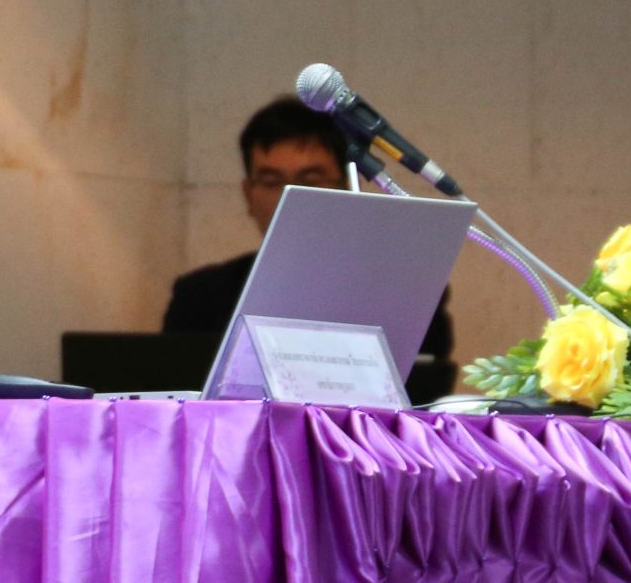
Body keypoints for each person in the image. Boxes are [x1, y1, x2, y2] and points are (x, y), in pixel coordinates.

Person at [164, 95, 454, 382]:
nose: (290, 196)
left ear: (346, 187)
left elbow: (425, 391)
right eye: (271, 182)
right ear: (248, 194)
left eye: (310, 180)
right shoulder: (199, 298)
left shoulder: (406, 296)